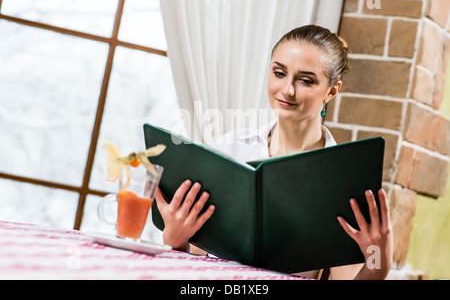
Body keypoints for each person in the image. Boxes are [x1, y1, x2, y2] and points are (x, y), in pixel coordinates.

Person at [154, 25, 393, 280]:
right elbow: (195, 265)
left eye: (305, 80)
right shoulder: (230, 148)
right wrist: (175, 239)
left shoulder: (344, 181)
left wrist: (379, 264)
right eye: (279, 73)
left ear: (332, 91)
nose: (287, 90)